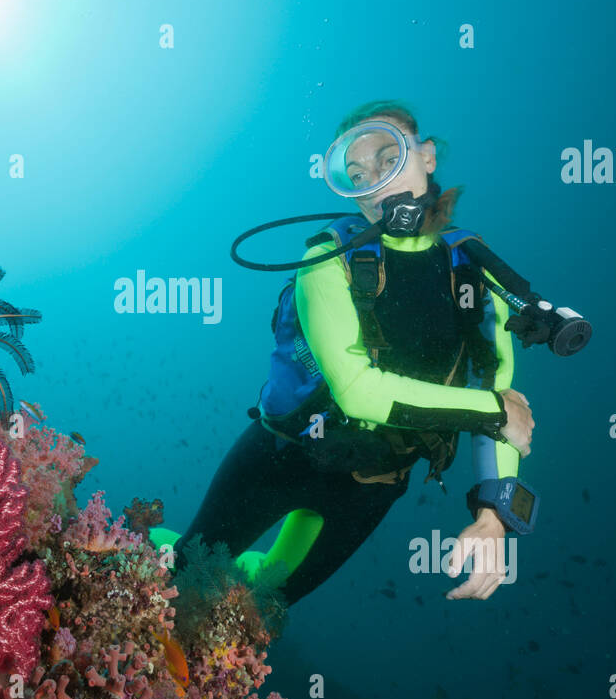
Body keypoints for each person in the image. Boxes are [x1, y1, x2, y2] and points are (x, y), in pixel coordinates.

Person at [174, 101, 534, 606]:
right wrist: (493, 413)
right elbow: (359, 391)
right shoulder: (326, 259)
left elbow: (501, 404)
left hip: (371, 487)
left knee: (268, 607)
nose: (376, 183)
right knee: (182, 577)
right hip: (280, 455)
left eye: (389, 159)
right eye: (356, 174)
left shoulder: (474, 272)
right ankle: (131, 546)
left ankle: (255, 572)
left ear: (427, 156)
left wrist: (493, 516)